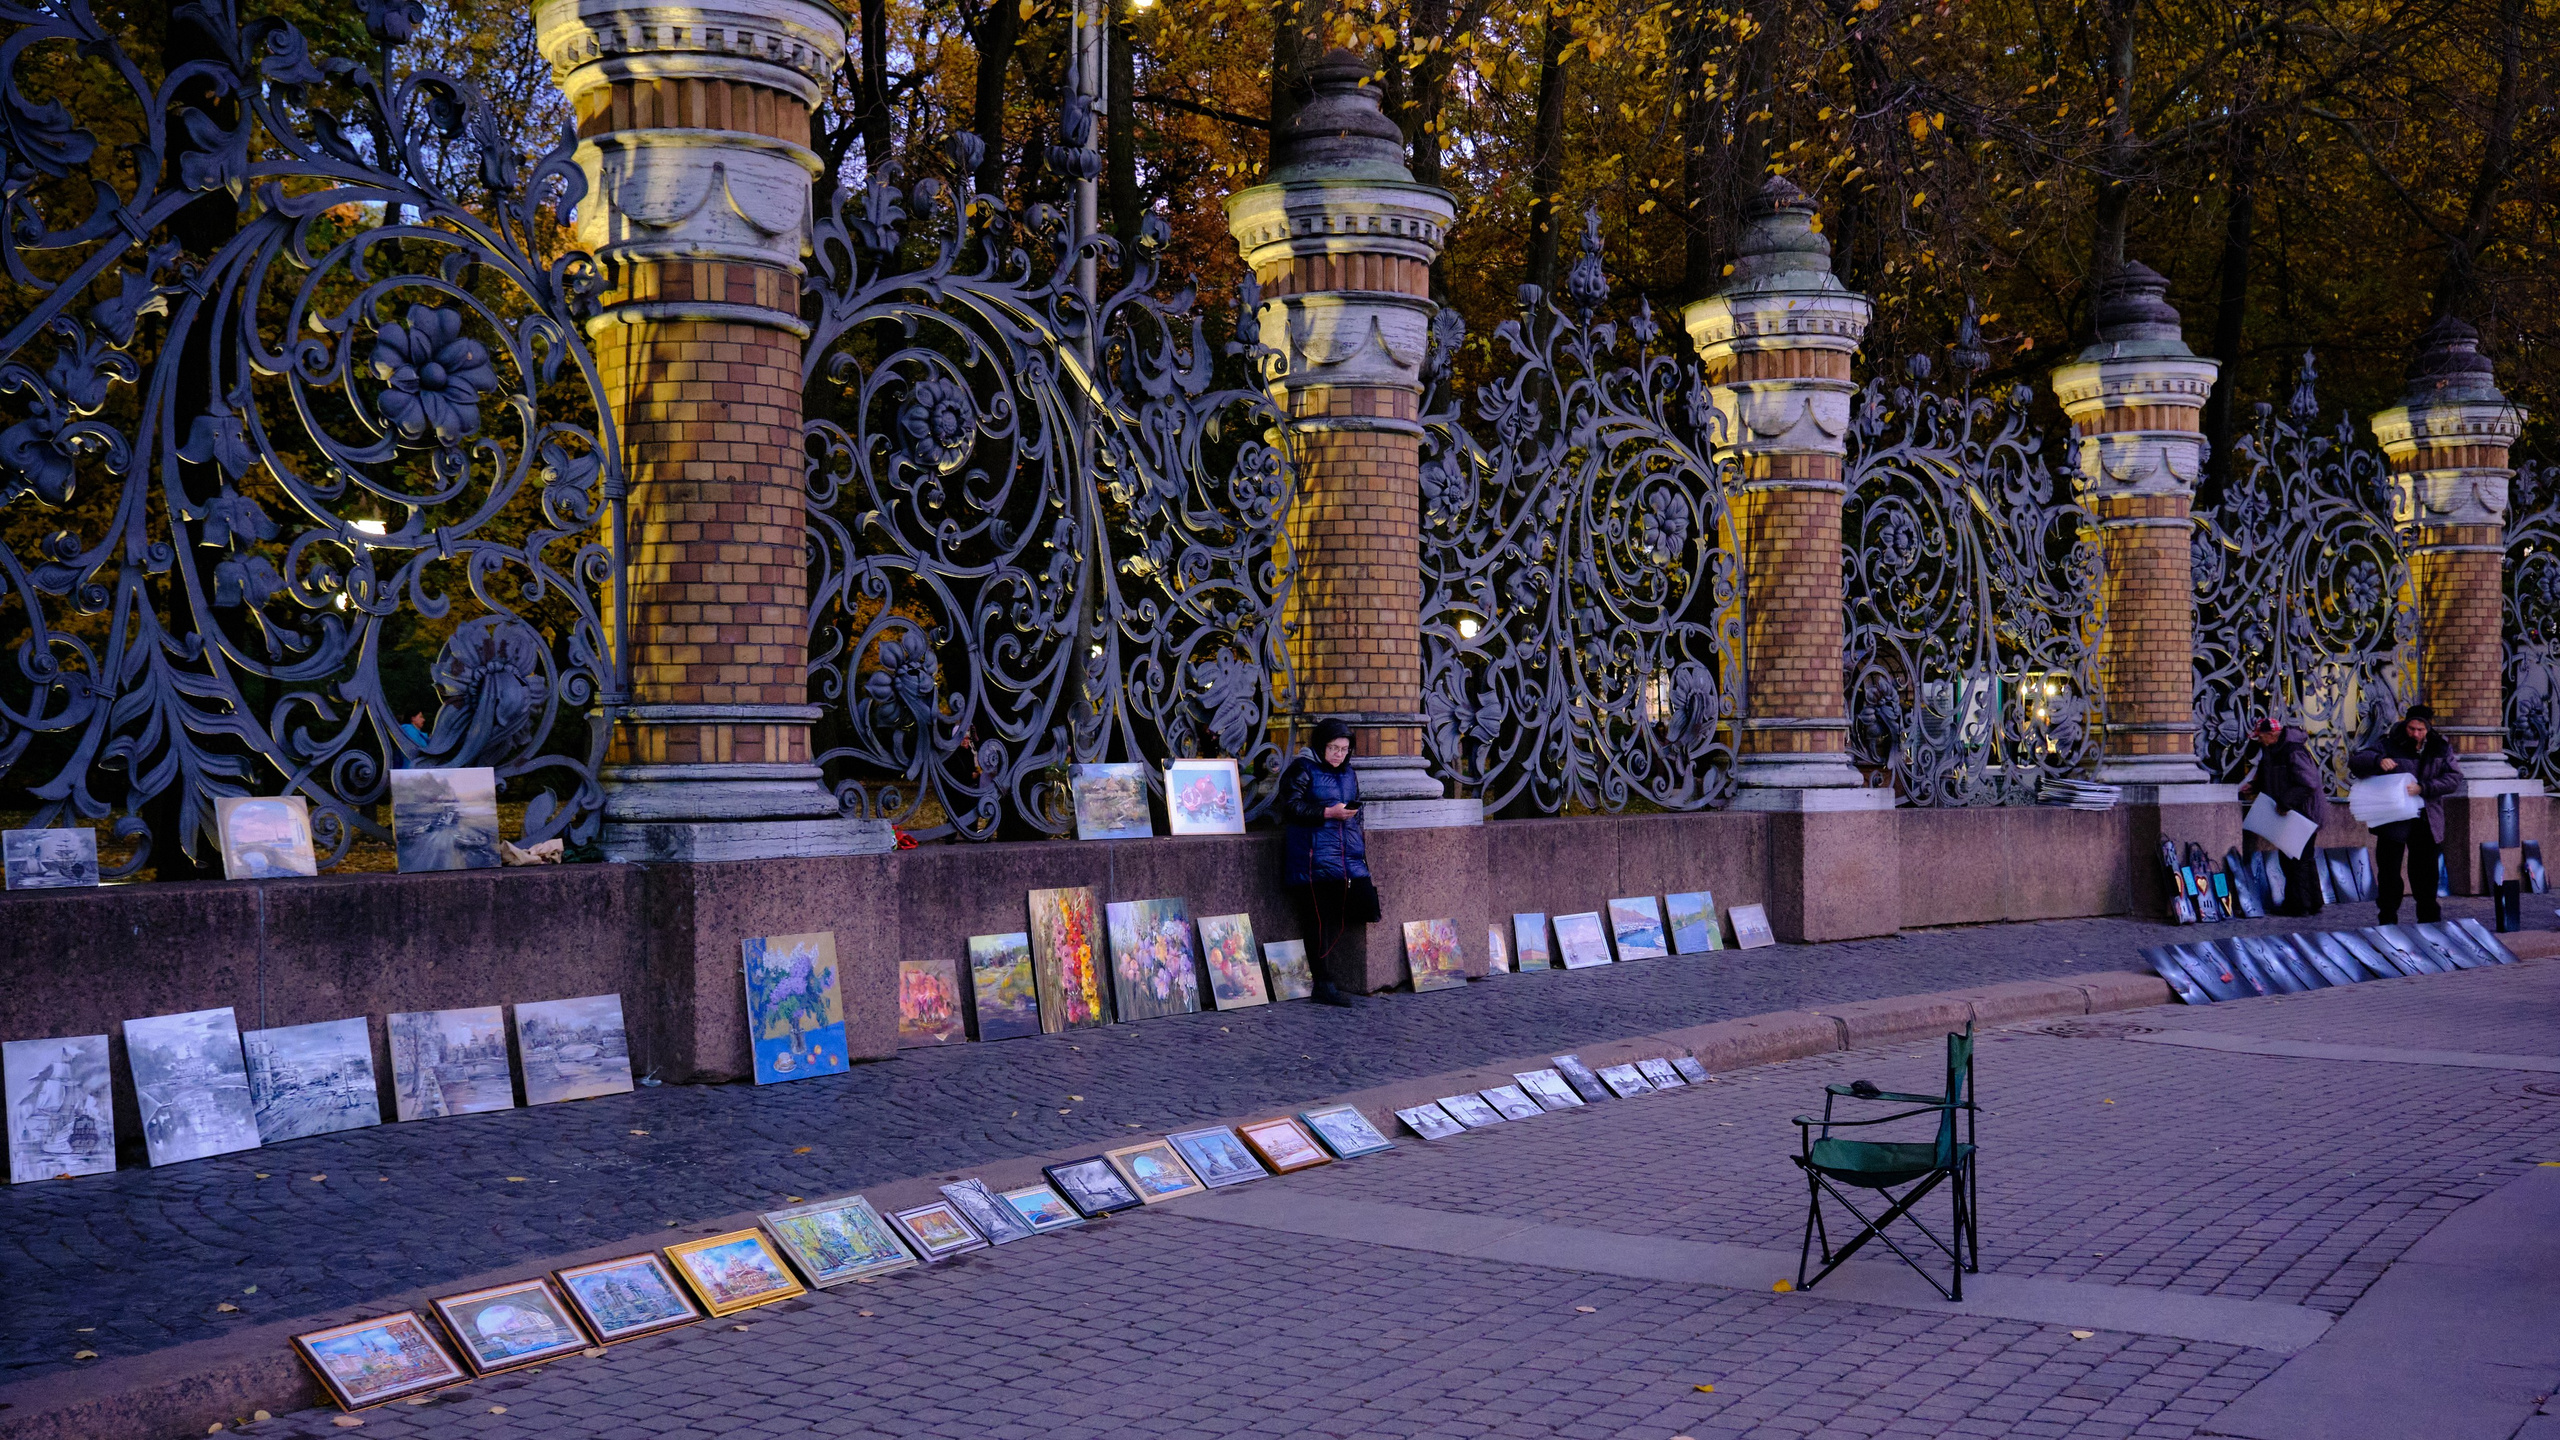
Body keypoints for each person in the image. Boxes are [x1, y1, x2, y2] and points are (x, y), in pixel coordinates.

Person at [1277, 717, 1379, 1006]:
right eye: (1333, 747)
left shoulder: (1348, 774)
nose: (1338, 754)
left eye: (1344, 749)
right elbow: (1290, 806)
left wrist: (1347, 816)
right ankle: (1323, 982)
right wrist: (1326, 813)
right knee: (1318, 920)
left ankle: (1332, 978)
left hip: (1347, 857)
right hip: (1312, 858)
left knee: (1363, 906)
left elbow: (1353, 809)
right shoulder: (1302, 769)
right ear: (1321, 745)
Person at [2348, 704, 2460, 924]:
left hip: (2426, 818)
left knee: (2425, 873)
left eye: (2420, 729)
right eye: (2411, 728)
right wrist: (2377, 762)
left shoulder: (2440, 747)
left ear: (2428, 728)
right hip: (2394, 817)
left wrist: (2424, 788)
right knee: (2389, 872)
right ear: (2405, 724)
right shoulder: (2390, 742)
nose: (2415, 734)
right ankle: (2388, 919)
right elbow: (2356, 761)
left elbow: (2454, 778)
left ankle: (2428, 920)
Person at [2237, 714, 2330, 916]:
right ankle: (2312, 902)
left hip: (2303, 813)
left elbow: (2308, 783)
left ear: (2271, 734)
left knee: (2294, 859)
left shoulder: (2293, 751)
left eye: (2260, 736)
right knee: (2300, 858)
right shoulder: (2274, 750)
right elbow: (2276, 779)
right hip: (2296, 812)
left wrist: (2285, 802)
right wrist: (2255, 786)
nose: (2258, 740)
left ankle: (2299, 906)